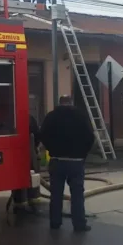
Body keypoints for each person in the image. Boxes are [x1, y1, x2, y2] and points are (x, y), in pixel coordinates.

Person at [39, 95, 95, 233]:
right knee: (77, 194)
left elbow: (43, 135)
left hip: (57, 161)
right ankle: (79, 224)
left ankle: (55, 222)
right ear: (71, 102)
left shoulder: (51, 117)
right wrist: (82, 154)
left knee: (56, 193)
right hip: (76, 162)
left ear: (59, 103)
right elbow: (90, 137)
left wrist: (51, 149)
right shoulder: (81, 116)